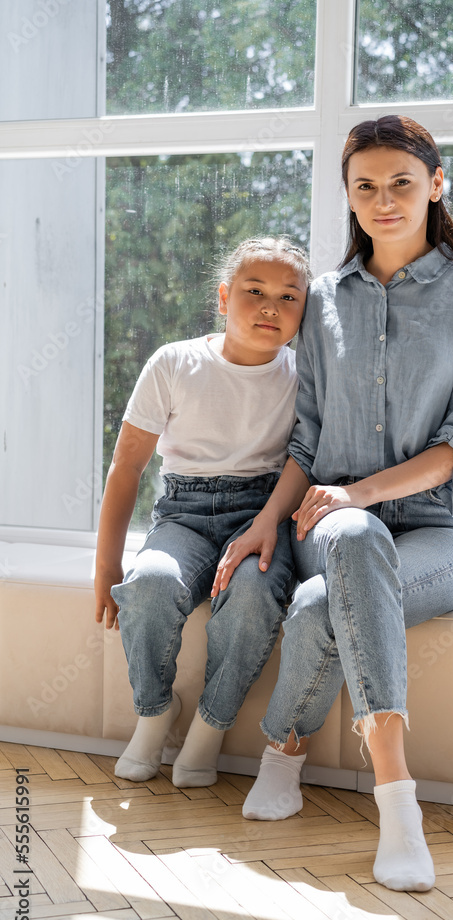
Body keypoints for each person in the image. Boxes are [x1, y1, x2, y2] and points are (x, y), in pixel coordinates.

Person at [213, 115, 453, 892]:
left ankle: (285, 751)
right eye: (365, 187)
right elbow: (308, 438)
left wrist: (361, 490)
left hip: (446, 532)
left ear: (435, 185)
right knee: (348, 538)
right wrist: (262, 523)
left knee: (321, 606)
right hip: (337, 525)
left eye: (401, 183)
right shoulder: (322, 300)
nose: (383, 201)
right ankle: (398, 799)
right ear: (347, 196)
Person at [94, 235, 311, 788]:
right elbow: (125, 470)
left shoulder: (305, 377)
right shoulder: (174, 362)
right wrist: (107, 569)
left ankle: (209, 730)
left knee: (254, 598)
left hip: (263, 512)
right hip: (183, 513)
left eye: (290, 297)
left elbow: (307, 461)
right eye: (254, 291)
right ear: (222, 296)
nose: (271, 306)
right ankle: (153, 713)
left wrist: (267, 522)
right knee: (150, 585)